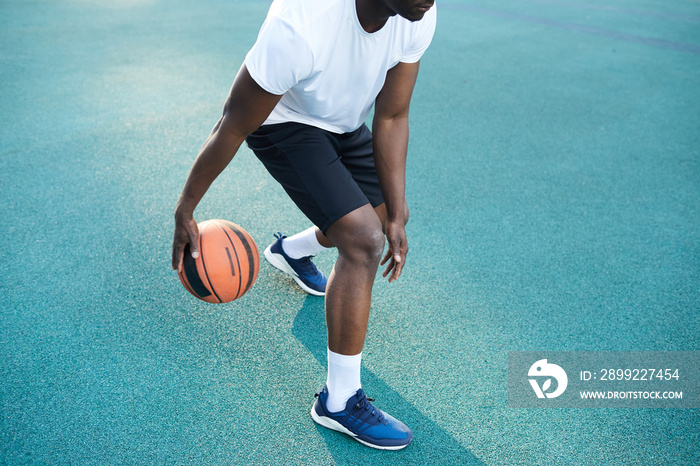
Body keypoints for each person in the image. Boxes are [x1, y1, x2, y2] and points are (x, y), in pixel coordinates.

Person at [171, 0, 436, 450]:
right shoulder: (301, 23)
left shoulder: (417, 11)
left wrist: (397, 204)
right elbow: (232, 125)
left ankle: (292, 251)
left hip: (342, 123)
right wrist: (186, 207)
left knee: (382, 217)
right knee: (364, 241)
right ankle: (339, 400)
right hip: (284, 122)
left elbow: (392, 115)